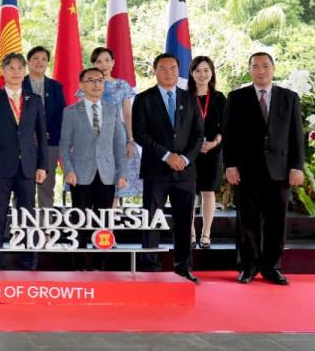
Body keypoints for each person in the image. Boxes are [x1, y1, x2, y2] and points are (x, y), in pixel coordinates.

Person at [222, 52, 305, 285]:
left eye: (266, 66)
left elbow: (296, 136)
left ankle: (271, 267)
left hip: (280, 171)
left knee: (276, 221)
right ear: (249, 70)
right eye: (256, 66)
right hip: (246, 171)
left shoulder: (290, 98)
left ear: (273, 68)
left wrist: (296, 166)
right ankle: (248, 266)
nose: (261, 70)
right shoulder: (237, 97)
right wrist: (230, 165)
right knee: (247, 221)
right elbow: (229, 136)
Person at [131, 53, 204, 283]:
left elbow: (199, 134)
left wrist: (184, 157)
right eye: (163, 68)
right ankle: (149, 267)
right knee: (151, 219)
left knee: (184, 221)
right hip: (156, 170)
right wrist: (166, 155)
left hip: (185, 171)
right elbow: (140, 133)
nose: (169, 72)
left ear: (179, 70)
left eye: (173, 68)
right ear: (155, 71)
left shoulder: (190, 99)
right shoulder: (143, 99)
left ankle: (183, 267)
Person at [0, 52, 48, 270]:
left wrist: (43, 165)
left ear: (25, 71)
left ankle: (28, 261)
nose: (16, 71)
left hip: (28, 167)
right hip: (0, 167)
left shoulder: (34, 100)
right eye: (11, 68)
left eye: (20, 68)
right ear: (3, 71)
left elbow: (42, 135)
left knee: (27, 214)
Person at [59, 67, 128, 269]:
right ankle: (78, 264)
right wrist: (68, 170)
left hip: (106, 175)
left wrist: (122, 173)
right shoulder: (71, 112)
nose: (96, 84)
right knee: (79, 220)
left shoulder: (113, 110)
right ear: (81, 85)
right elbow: (64, 145)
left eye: (99, 80)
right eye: (90, 80)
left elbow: (119, 144)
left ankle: (102, 265)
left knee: (103, 222)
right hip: (79, 175)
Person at [79, 47, 141, 202]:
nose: (104, 64)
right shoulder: (87, 84)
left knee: (115, 184)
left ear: (113, 62)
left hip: (118, 137)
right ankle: (94, 224)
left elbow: (127, 114)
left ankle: (109, 226)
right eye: (99, 61)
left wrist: (131, 139)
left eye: (107, 60)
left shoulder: (122, 85)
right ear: (93, 64)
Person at [22, 45, 66, 209]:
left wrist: (44, 133)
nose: (40, 62)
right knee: (23, 187)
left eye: (44, 59)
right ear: (28, 62)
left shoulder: (56, 87)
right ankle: (23, 228)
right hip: (23, 144)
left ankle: (45, 229)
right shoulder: (19, 84)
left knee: (46, 186)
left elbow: (61, 115)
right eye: (35, 59)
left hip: (50, 143)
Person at [188, 55, 226, 249]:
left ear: (211, 73)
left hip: (212, 151)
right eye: (198, 71)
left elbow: (226, 127)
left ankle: (206, 234)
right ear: (191, 73)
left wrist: (214, 142)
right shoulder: (184, 96)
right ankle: (191, 233)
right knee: (189, 193)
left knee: (208, 191)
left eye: (206, 70)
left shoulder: (219, 98)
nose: (202, 75)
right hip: (189, 153)